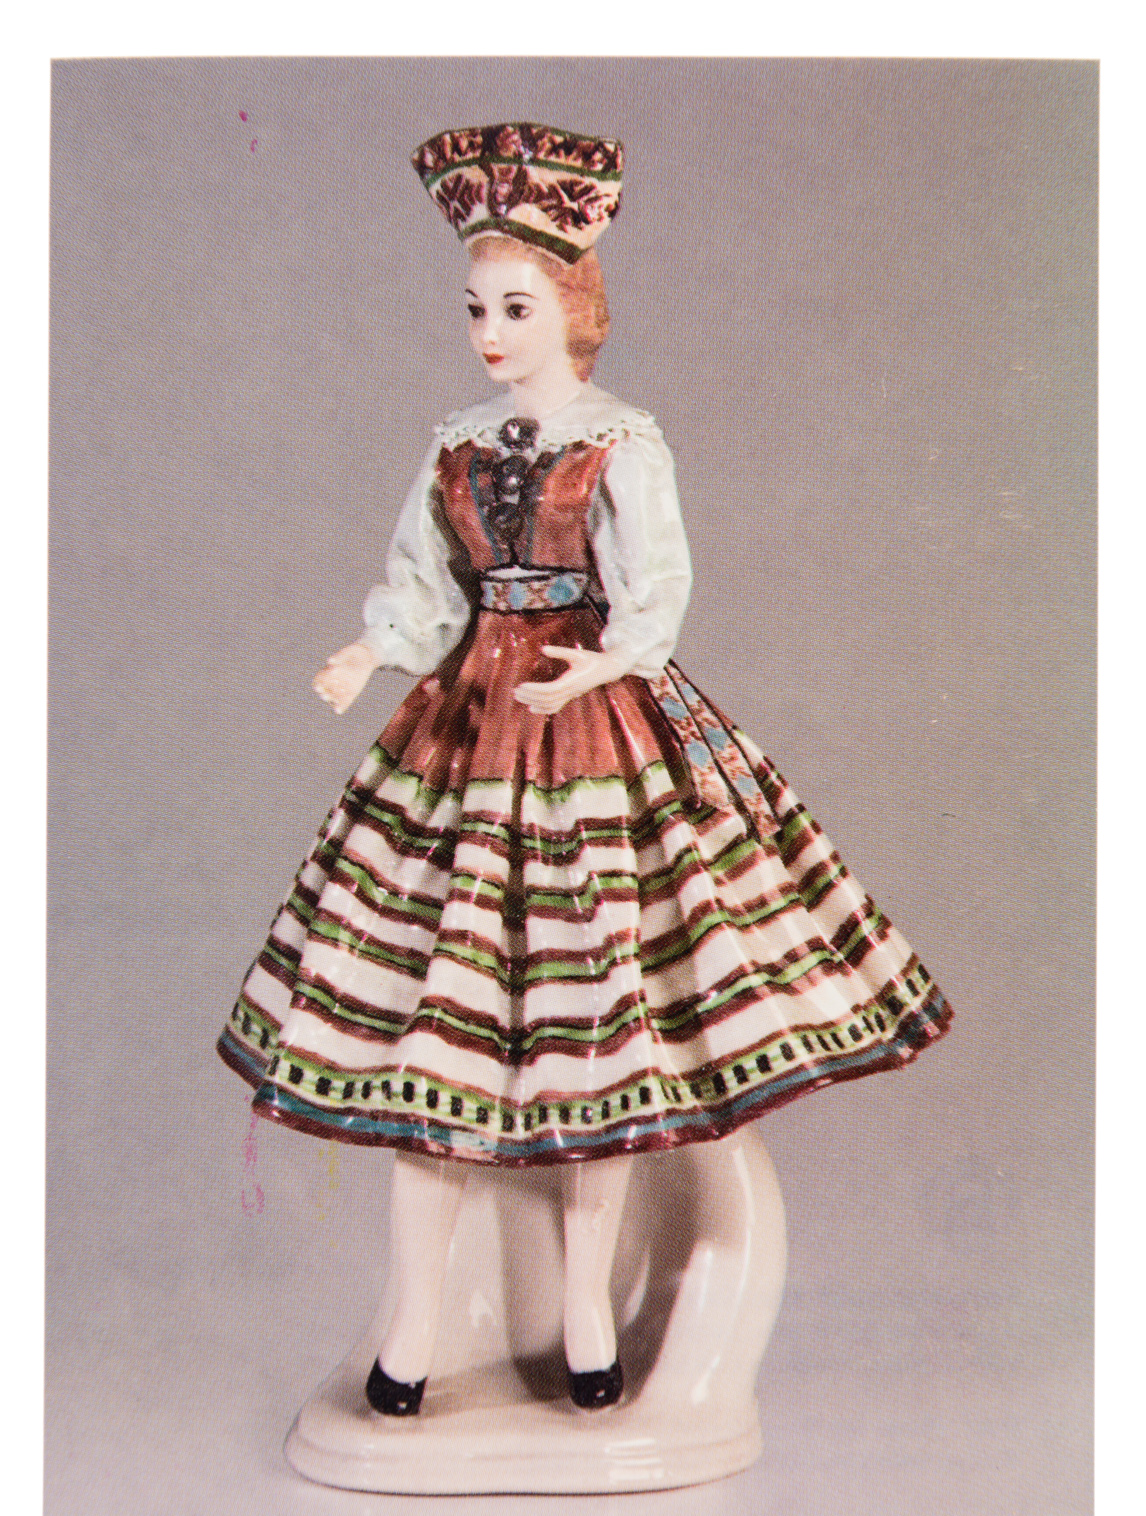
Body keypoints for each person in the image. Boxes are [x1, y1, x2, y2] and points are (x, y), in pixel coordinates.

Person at [218, 122, 953, 1418]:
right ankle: (413, 1326)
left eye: (515, 307)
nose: (490, 334)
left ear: (571, 306)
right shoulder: (455, 443)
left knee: (596, 1030)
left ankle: (588, 1322)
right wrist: (370, 650)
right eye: (475, 309)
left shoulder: (622, 441)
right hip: (467, 734)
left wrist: (604, 665)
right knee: (431, 1032)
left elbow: (654, 587)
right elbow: (426, 587)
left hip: (590, 734)